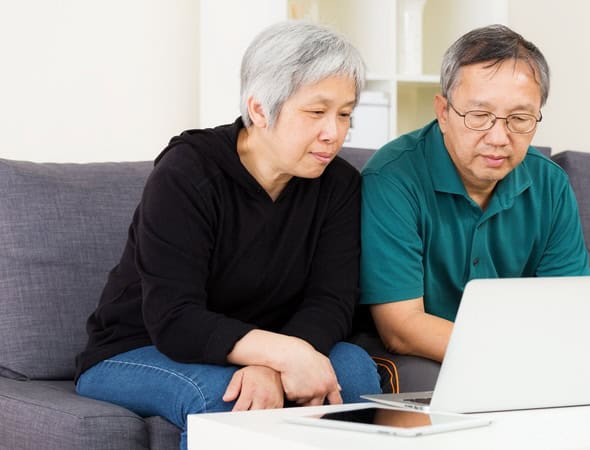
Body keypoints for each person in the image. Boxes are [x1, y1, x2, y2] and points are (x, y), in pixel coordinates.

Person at [75, 21, 381, 448]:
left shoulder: (339, 185)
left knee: (354, 371)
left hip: (259, 347)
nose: (334, 132)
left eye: (345, 114)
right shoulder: (188, 172)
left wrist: (273, 364)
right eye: (316, 112)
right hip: (140, 349)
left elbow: (331, 300)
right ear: (259, 110)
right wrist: (286, 355)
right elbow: (174, 319)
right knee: (232, 402)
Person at [360, 24, 590, 364]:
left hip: (522, 352)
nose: (499, 137)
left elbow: (572, 304)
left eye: (519, 118)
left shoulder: (550, 184)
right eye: (480, 116)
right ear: (443, 112)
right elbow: (401, 328)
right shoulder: (393, 178)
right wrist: (519, 354)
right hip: (422, 353)